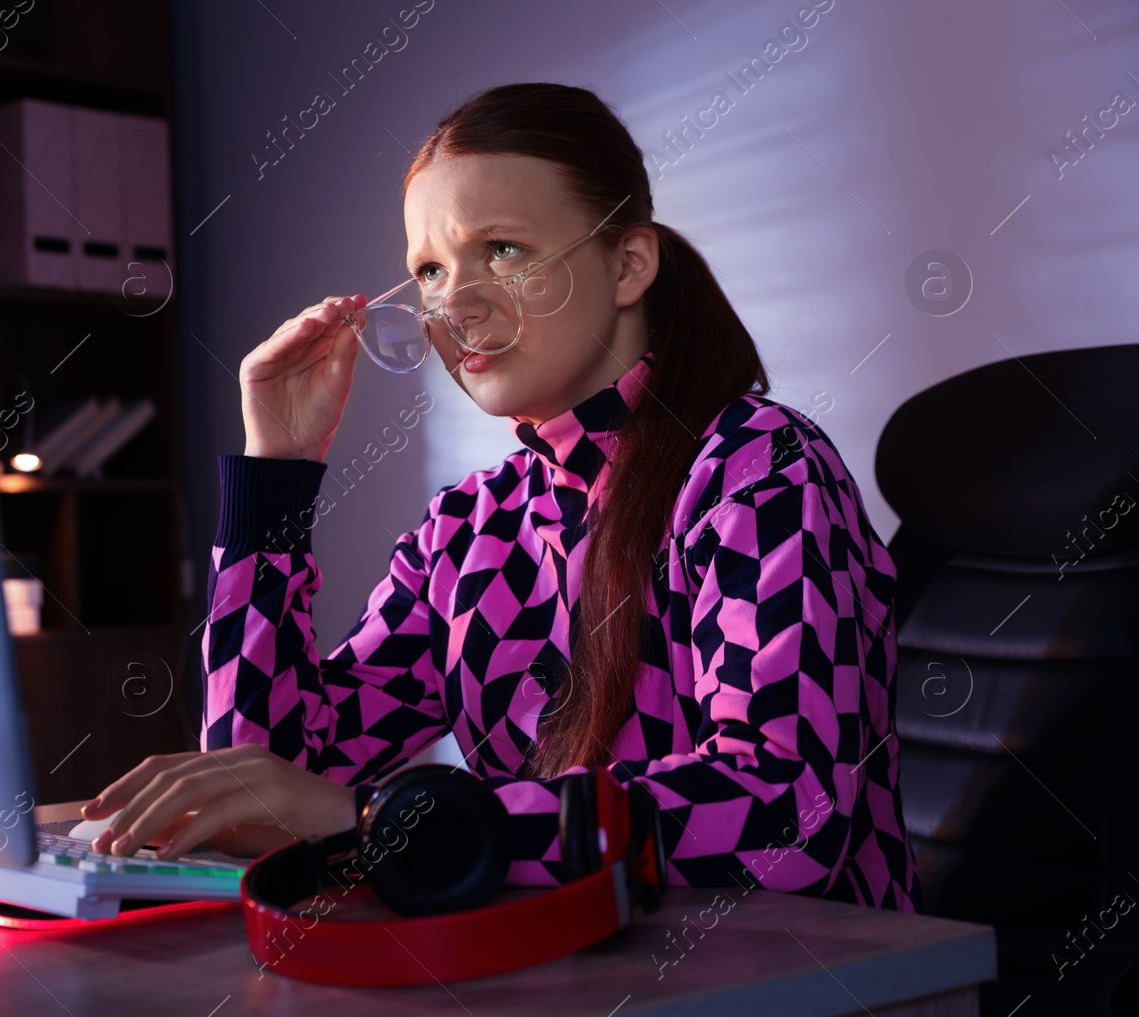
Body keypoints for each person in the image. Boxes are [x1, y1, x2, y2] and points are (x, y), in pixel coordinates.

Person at [81, 81, 922, 912]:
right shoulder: (468, 527)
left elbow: (785, 814)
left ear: (628, 263)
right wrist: (277, 476)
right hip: (563, 979)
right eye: (431, 269)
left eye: (505, 250)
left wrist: (381, 822)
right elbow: (259, 782)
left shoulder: (761, 470)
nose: (461, 303)